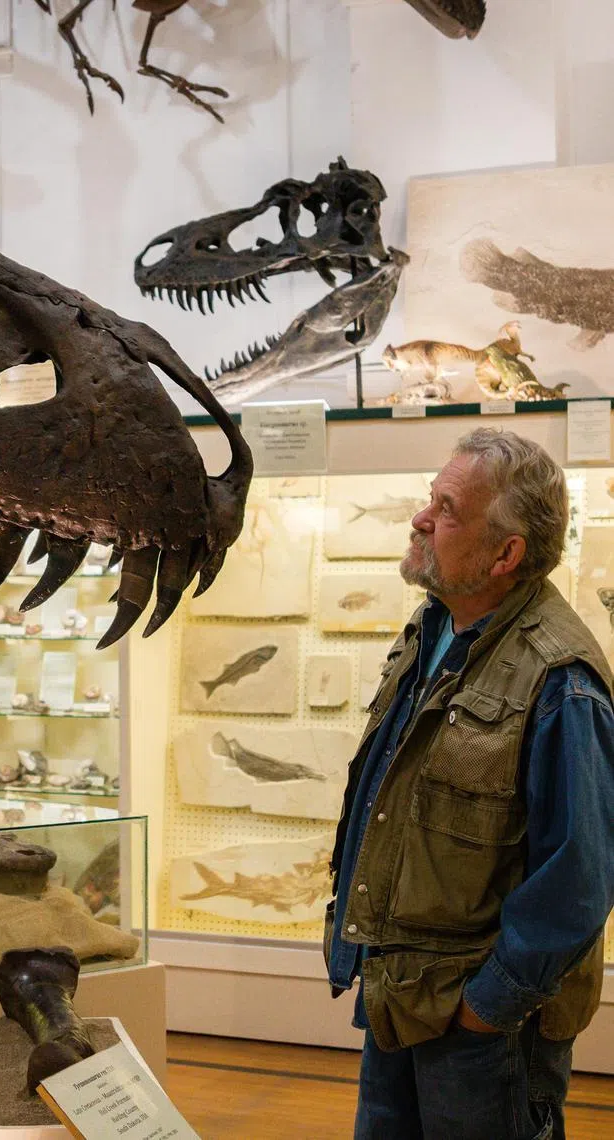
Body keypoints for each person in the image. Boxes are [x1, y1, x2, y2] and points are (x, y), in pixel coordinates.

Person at [324, 428, 614, 1140]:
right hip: (400, 999)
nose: (421, 518)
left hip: (482, 1030)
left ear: (505, 553)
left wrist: (487, 1007)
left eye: (447, 509)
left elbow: (578, 879)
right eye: (431, 498)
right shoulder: (432, 632)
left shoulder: (560, 680)